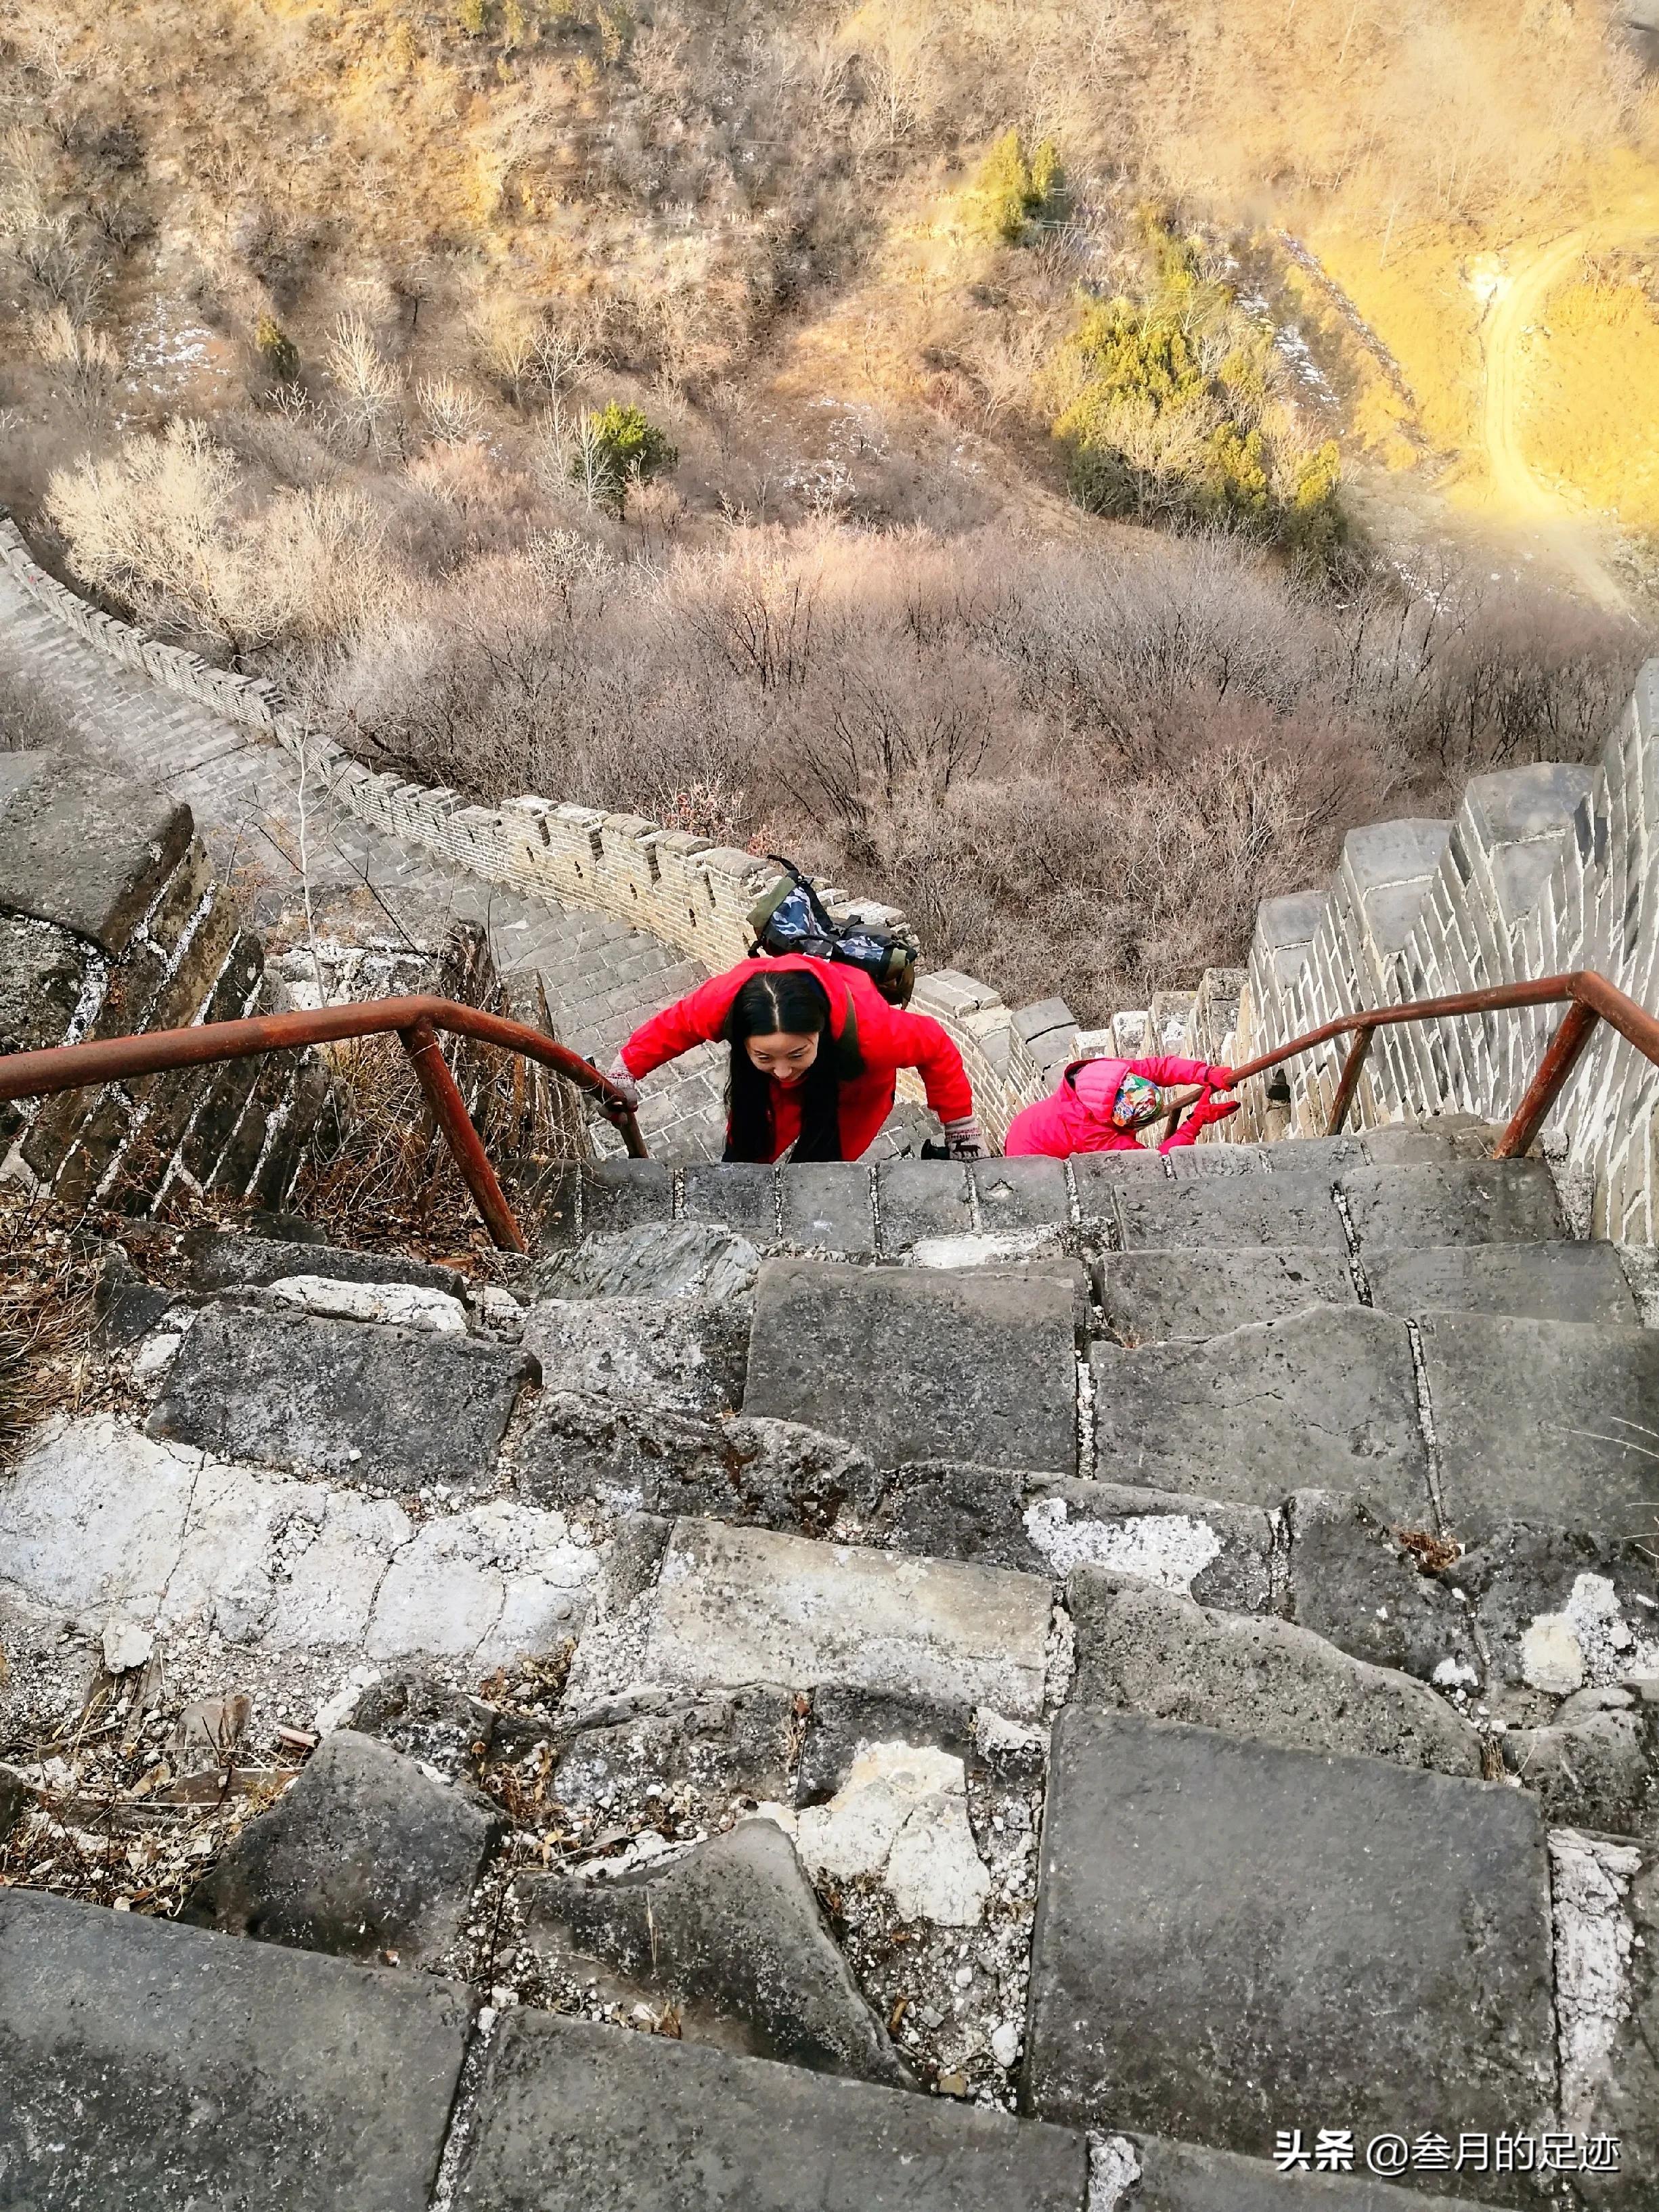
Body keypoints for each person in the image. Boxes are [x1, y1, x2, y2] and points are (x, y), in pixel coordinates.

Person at [606, 954, 986, 1163]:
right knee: (745, 1160)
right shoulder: (723, 1004)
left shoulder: (872, 1031)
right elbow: (677, 1026)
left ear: (820, 1032)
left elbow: (935, 1045)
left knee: (820, 1171)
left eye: (797, 1052)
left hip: (854, 1093)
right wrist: (626, 1070)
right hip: (767, 1096)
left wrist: (961, 1128)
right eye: (764, 1056)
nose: (784, 1070)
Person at [1004, 1049, 1239, 1158]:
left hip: (1030, 1126)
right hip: (1030, 1160)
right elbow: (1155, 1163)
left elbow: (1159, 1068)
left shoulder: (1109, 1073)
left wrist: (1207, 1073)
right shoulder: (1092, 1135)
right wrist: (1196, 1121)